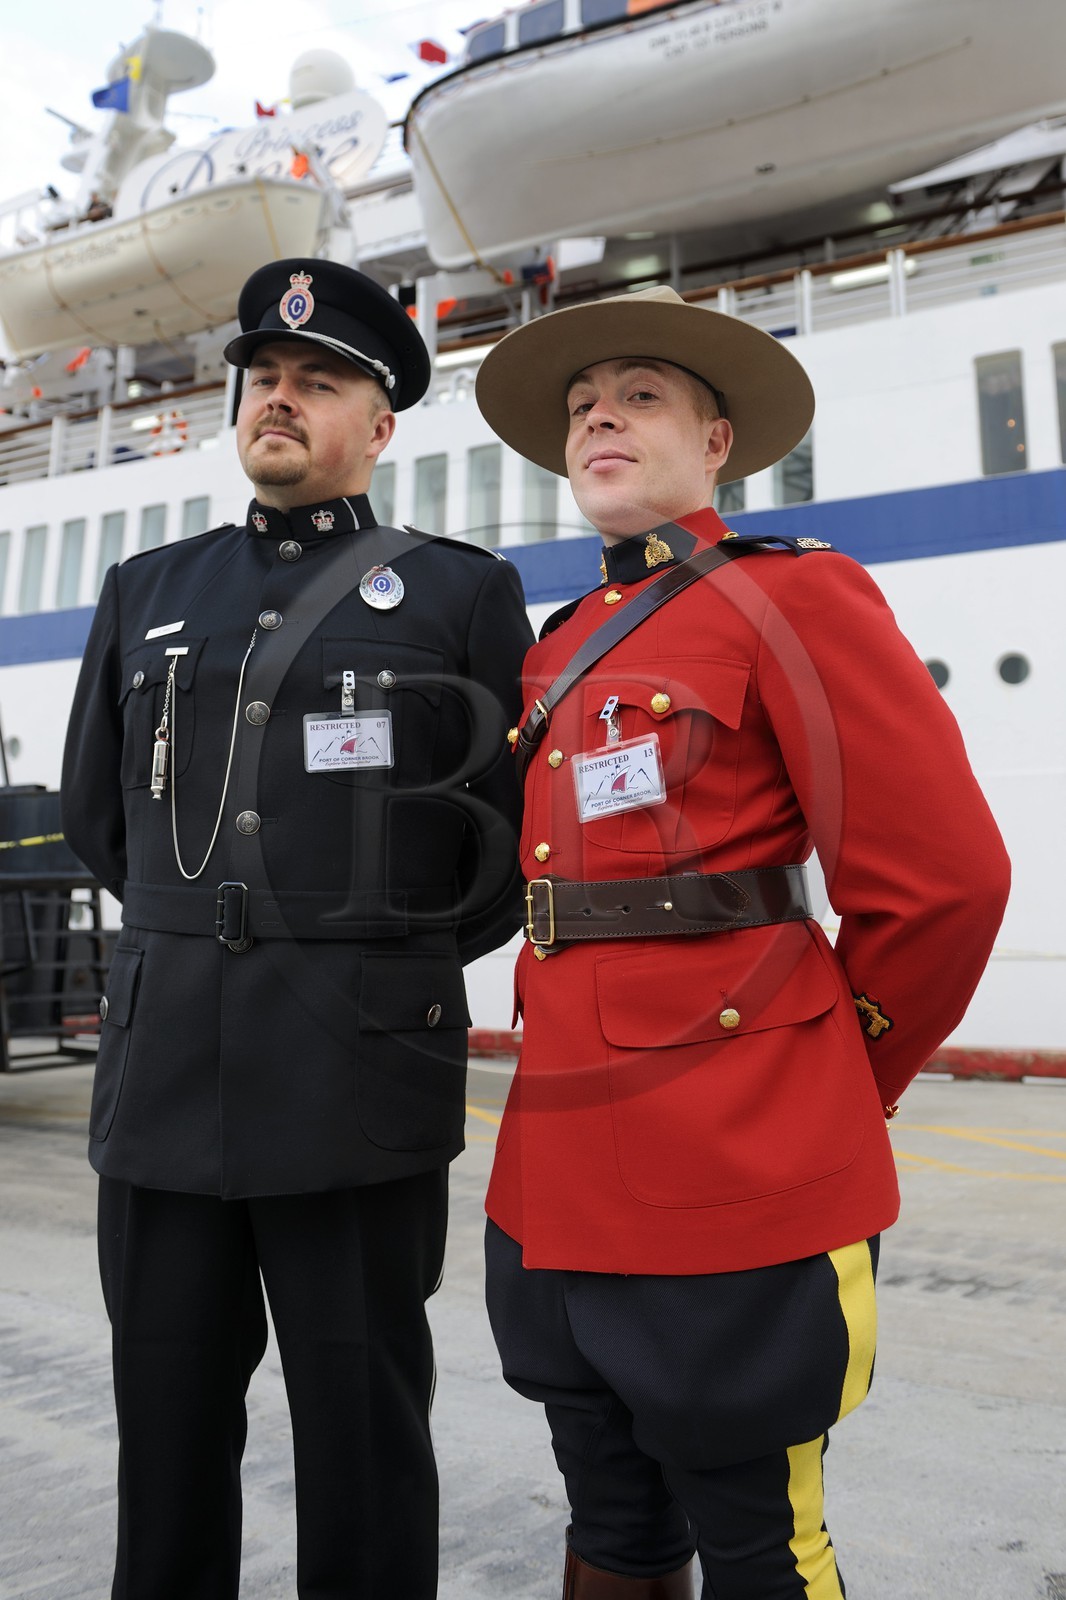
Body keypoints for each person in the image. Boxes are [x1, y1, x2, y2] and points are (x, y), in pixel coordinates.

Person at [473, 285, 1010, 1599]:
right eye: (581, 406)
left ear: (717, 442)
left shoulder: (795, 598)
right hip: (554, 1165)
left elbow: (941, 884)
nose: (600, 415)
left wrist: (833, 1078)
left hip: (735, 1153)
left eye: (639, 395)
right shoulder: (555, 655)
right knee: (607, 1515)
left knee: (758, 1533)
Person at [61, 258, 533, 1600]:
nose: (279, 398)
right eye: (263, 378)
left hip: (354, 1072)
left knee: (362, 1425)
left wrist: (361, 959)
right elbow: (100, 812)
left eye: (316, 383)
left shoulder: (456, 593)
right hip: (164, 1081)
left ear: (377, 428)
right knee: (163, 1423)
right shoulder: (147, 585)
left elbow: (494, 852)